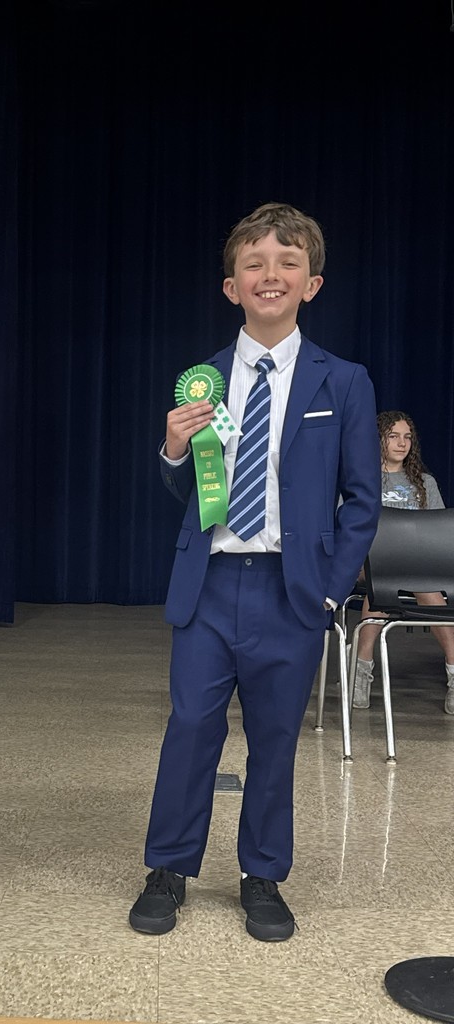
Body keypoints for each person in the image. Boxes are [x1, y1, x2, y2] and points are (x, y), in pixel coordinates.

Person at [128, 202, 380, 942]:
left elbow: (362, 502)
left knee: (275, 739)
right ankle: (169, 868)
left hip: (292, 591)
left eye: (287, 262)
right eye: (254, 264)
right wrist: (173, 452)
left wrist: (331, 589)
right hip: (209, 587)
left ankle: (263, 875)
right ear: (231, 285)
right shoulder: (201, 379)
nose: (271, 274)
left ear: (313, 283)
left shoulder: (344, 381)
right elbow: (190, 495)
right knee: (191, 731)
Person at [352, 411, 454, 712]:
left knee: (419, 582)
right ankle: (361, 672)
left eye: (407, 436)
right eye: (394, 436)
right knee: (380, 576)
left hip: (417, 567)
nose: (402, 443)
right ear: (379, 440)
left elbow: (438, 535)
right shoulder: (362, 480)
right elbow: (348, 529)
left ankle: (453, 670)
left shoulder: (424, 482)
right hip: (368, 565)